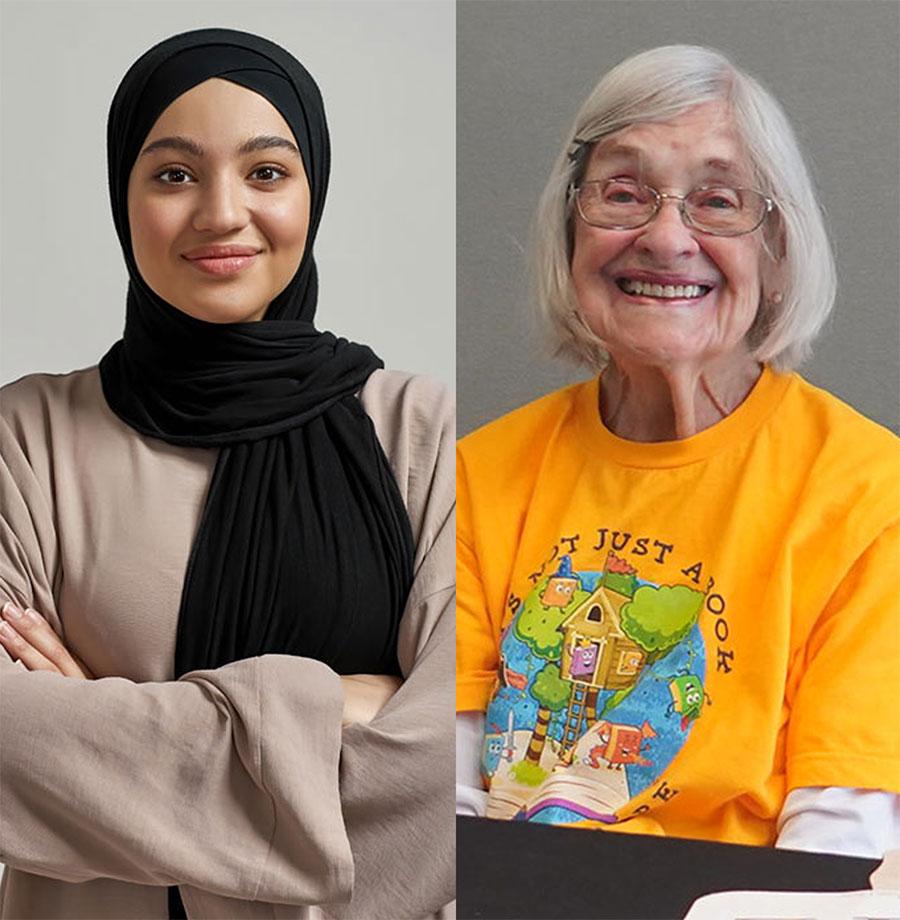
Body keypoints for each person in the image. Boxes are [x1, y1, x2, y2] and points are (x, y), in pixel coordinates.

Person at [0, 28, 454, 920]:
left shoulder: (418, 431)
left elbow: (444, 772)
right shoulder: (26, 440)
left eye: (266, 173)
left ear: (310, 191)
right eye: (173, 174)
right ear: (121, 197)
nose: (220, 213)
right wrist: (338, 713)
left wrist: (99, 731)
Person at [456, 45, 899, 857]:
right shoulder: (476, 478)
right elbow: (444, 807)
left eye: (718, 201)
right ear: (569, 234)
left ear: (777, 253)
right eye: (621, 193)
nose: (666, 237)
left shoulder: (871, 495)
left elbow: (839, 851)